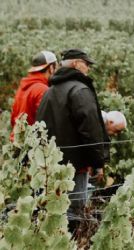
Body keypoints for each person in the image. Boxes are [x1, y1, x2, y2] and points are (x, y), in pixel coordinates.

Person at [35, 49, 109, 231]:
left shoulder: (50, 91)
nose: (89, 69)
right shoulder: (80, 90)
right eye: (87, 64)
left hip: (50, 164)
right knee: (74, 216)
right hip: (74, 167)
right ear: (76, 63)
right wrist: (98, 162)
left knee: (52, 212)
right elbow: (90, 130)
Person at [10, 51, 58, 139]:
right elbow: (46, 123)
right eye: (56, 66)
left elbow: (13, 118)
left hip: (17, 141)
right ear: (51, 68)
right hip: (31, 145)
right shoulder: (42, 89)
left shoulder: (23, 87)